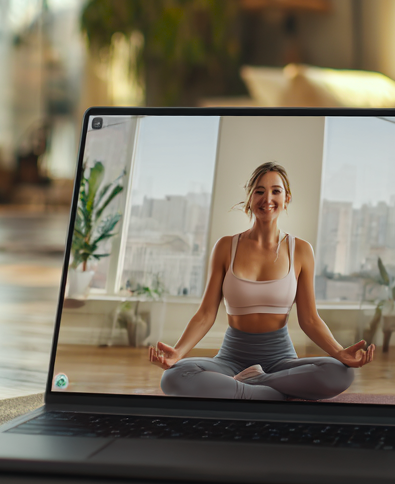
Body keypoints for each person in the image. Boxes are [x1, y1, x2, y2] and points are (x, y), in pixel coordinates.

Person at [147, 162, 374, 400]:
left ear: (287, 198)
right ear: (250, 197)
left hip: (280, 361)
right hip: (230, 360)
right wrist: (178, 353)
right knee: (174, 376)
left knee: (340, 373)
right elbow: (205, 314)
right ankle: (275, 396)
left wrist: (340, 353)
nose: (268, 198)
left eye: (276, 191)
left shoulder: (301, 250)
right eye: (259, 191)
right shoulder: (226, 247)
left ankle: (252, 385)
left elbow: (309, 319)